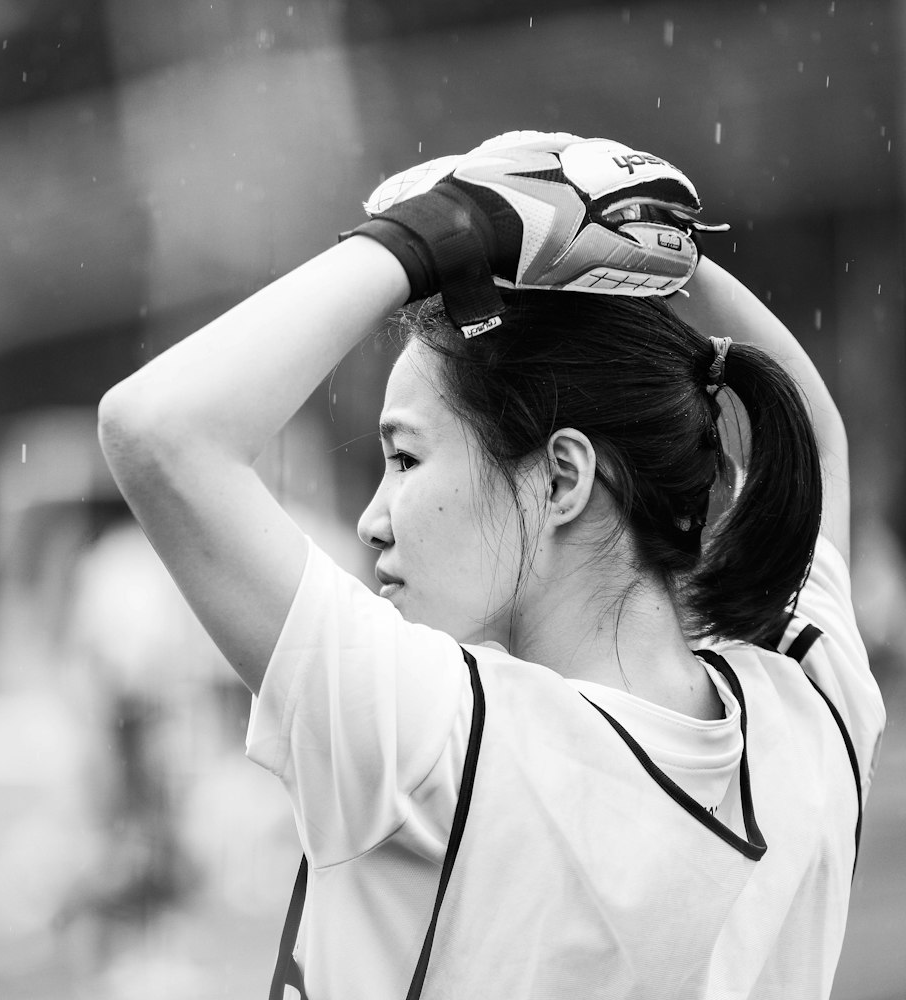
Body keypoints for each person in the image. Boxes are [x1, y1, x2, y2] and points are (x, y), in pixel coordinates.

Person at [98, 132, 886, 999]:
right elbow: (813, 436)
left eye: (404, 460)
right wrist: (642, 248)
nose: (370, 521)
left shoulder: (442, 739)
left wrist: (438, 233)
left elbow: (158, 431)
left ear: (560, 477)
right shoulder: (811, 711)